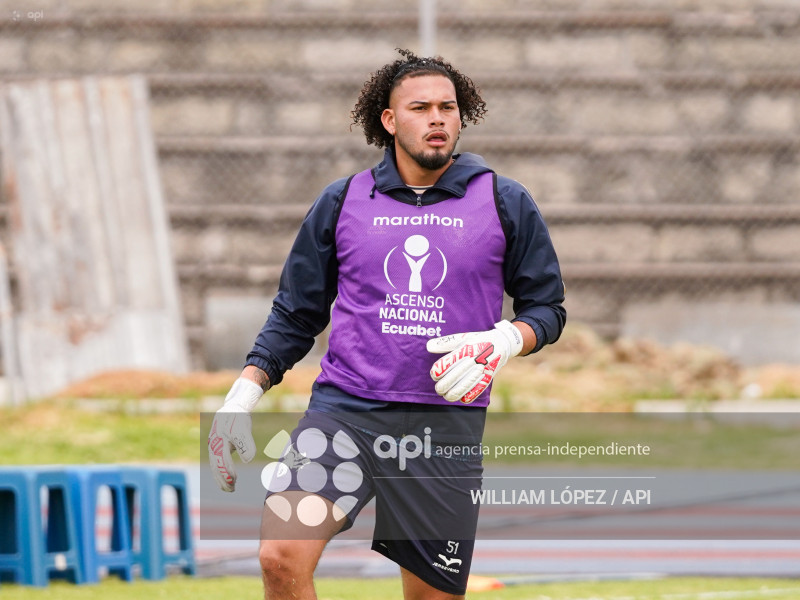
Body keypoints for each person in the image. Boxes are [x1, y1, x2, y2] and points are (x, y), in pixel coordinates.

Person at [208, 48, 566, 600]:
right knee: (280, 557)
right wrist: (241, 396)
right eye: (421, 107)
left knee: (429, 597)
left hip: (443, 431)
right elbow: (296, 312)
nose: (438, 118)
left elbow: (547, 311)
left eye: (448, 107)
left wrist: (502, 340)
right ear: (390, 121)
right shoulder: (343, 200)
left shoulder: (503, 199)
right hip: (345, 417)